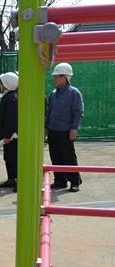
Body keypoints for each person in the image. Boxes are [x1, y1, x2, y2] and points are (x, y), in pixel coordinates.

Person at [45, 62, 84, 192]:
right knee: (55, 156)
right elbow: (49, 112)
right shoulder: (53, 94)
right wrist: (46, 128)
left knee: (68, 157)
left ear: (65, 77)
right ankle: (60, 180)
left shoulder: (74, 93)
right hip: (53, 131)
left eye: (57, 76)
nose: (54, 78)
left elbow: (78, 112)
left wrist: (74, 129)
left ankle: (75, 181)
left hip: (66, 131)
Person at [0, 72, 19, 191]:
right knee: (8, 157)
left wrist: (7, 135)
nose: (0, 85)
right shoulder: (10, 96)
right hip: (10, 135)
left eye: (2, 83)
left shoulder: (10, 98)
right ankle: (11, 179)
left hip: (10, 136)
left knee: (13, 158)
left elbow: (11, 119)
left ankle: (17, 181)